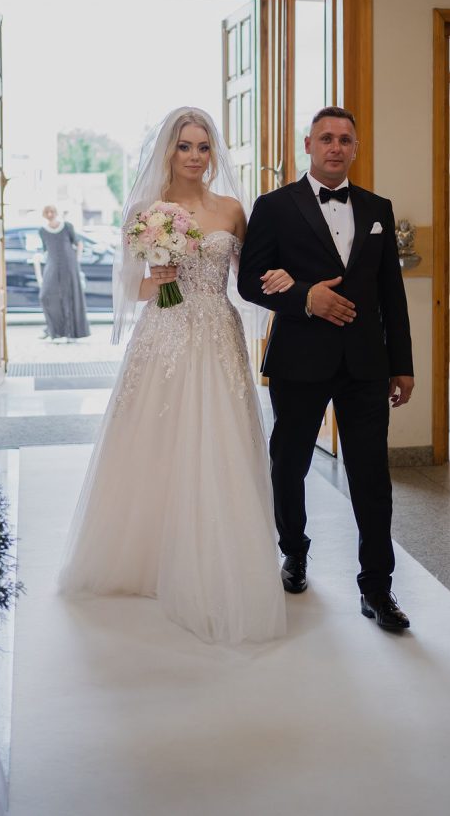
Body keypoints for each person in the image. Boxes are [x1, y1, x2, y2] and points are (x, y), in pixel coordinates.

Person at [58, 108, 286, 644]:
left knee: (219, 439)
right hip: (164, 331)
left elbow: (245, 278)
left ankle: (214, 553)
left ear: (214, 154)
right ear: (169, 150)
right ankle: (150, 555)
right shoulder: (146, 210)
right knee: (156, 439)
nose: (194, 157)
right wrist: (156, 277)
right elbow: (129, 289)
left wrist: (283, 279)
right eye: (185, 146)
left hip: (218, 330)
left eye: (203, 147)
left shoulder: (232, 209)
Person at [237, 106, 415, 631]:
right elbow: (250, 281)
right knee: (288, 464)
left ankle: (377, 589)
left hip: (365, 365)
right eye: (326, 138)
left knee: (372, 478)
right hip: (299, 359)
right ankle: (294, 549)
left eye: (345, 139)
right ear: (309, 146)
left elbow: (392, 296)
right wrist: (305, 298)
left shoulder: (377, 207)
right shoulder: (273, 206)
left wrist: (401, 363)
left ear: (355, 148)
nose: (336, 147)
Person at [33, 205, 90, 342]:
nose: (50, 214)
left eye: (52, 211)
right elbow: (44, 250)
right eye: (47, 212)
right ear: (44, 214)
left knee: (69, 297)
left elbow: (78, 243)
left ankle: (72, 334)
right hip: (52, 264)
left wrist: (76, 262)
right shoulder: (42, 231)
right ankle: (53, 329)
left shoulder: (67, 226)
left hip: (69, 265)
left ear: (56, 212)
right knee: (45, 295)